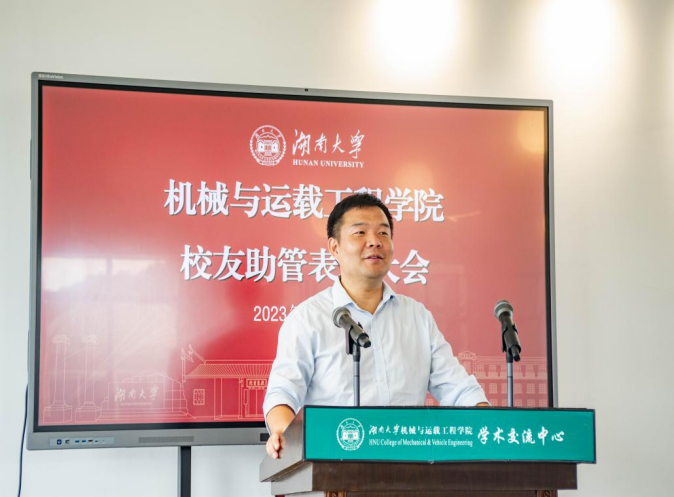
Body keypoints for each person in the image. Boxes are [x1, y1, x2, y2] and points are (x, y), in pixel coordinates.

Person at [263, 193, 488, 459]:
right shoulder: (307, 319)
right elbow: (283, 392)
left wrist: (493, 424)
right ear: (334, 248)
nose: (374, 242)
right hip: (333, 463)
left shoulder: (417, 316)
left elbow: (457, 388)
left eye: (383, 233)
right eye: (360, 232)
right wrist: (283, 433)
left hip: (411, 466)